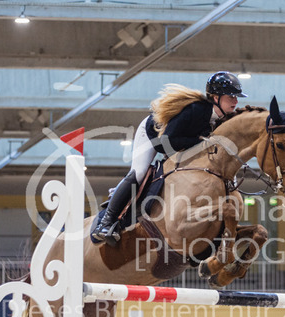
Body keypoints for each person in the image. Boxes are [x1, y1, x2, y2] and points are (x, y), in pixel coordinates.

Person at [90, 71, 247, 246]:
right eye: (231, 96)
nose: (235, 101)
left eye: (236, 97)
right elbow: (166, 142)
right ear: (216, 97)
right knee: (139, 172)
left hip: (178, 144)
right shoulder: (195, 110)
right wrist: (202, 142)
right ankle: (106, 222)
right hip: (154, 134)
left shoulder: (224, 120)